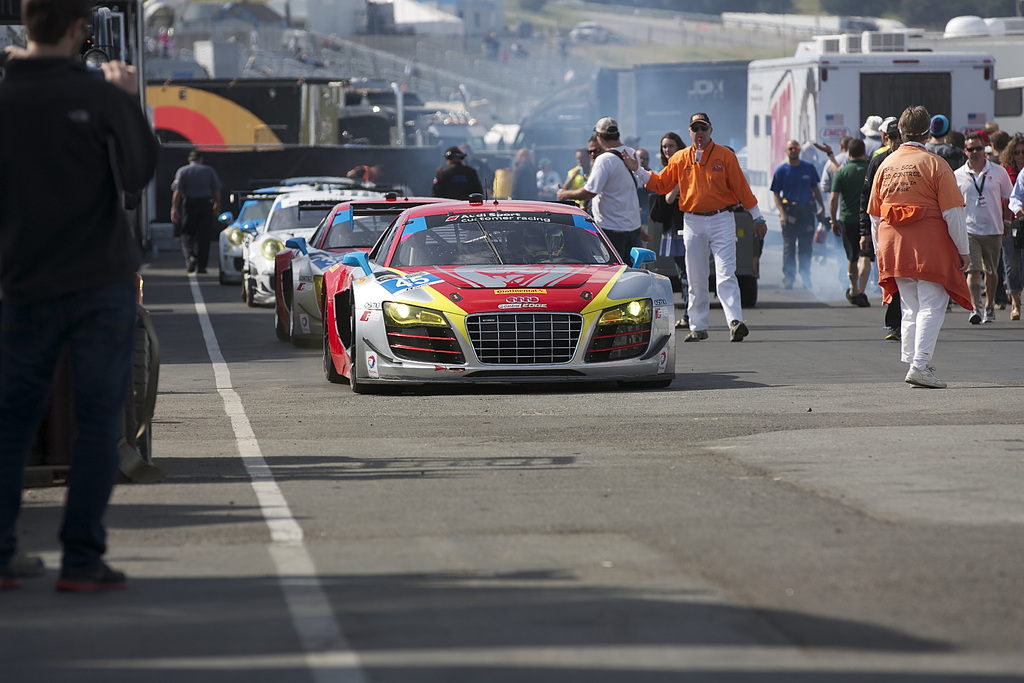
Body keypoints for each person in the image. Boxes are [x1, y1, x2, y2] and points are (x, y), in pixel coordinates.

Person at [0, 0, 158, 591]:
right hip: (99, 282)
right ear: (77, 30)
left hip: (23, 284)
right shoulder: (96, 95)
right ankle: (81, 561)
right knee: (97, 424)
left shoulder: (6, 95)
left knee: (11, 420)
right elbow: (139, 172)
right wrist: (123, 96)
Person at [624, 112, 768, 342]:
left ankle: (735, 321)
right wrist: (638, 170)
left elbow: (742, 189)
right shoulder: (680, 158)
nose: (699, 133)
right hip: (692, 220)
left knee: (725, 274)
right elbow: (661, 185)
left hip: (722, 218)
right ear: (690, 133)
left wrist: (757, 217)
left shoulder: (725, 156)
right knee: (696, 276)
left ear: (710, 130)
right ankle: (698, 326)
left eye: (703, 128)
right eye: (695, 128)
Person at [867, 106, 972, 389]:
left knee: (910, 306)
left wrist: (880, 252)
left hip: (893, 246)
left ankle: (913, 360)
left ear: (900, 133)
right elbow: (953, 212)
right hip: (927, 247)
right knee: (932, 304)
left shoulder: (885, 165)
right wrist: (963, 250)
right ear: (927, 133)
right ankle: (920, 365)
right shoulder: (935, 164)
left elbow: (874, 216)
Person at [557, 117, 642, 264]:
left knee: (611, 273)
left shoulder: (604, 159)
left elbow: (590, 192)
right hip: (632, 226)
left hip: (611, 228)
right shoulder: (633, 153)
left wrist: (564, 194)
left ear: (599, 137)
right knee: (630, 271)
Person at [954, 131, 1014, 324]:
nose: (975, 152)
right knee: (973, 270)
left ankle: (989, 306)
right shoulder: (958, 175)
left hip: (993, 229)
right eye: (971, 149)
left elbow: (1008, 198)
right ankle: (974, 307)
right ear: (965, 151)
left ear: (984, 150)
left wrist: (1007, 222)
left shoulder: (998, 171)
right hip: (969, 229)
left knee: (991, 271)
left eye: (979, 148)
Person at [859, 117, 902, 340]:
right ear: (885, 138)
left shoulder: (916, 159)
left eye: (900, 136)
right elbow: (866, 198)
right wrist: (864, 232)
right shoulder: (878, 161)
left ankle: (906, 324)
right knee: (891, 276)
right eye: (893, 137)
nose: (897, 141)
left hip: (911, 229)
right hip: (885, 229)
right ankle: (895, 323)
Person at [771, 139, 826, 289]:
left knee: (806, 248)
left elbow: (815, 189)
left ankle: (806, 277)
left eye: (795, 148)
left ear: (799, 150)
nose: (793, 150)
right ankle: (789, 278)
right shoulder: (781, 171)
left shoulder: (809, 168)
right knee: (789, 248)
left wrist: (822, 206)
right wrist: (782, 213)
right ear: (786, 151)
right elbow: (776, 193)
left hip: (806, 213)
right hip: (790, 214)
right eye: (790, 148)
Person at [648, 132, 689, 328]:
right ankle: (690, 314)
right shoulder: (665, 171)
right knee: (683, 273)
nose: (667, 150)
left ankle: (690, 316)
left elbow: (670, 198)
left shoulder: (686, 168)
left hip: (689, 226)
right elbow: (663, 200)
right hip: (673, 228)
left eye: (671, 146)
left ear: (679, 147)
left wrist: (675, 188)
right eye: (664, 146)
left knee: (689, 274)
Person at [830, 138, 871, 307]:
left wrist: (833, 220)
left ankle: (853, 289)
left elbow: (833, 199)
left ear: (848, 152)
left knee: (852, 257)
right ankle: (862, 291)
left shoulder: (842, 172)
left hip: (848, 219)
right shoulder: (871, 170)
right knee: (866, 256)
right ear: (864, 152)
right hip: (868, 218)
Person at [171, 149, 221, 274]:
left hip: (190, 204)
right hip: (205, 203)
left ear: (189, 160)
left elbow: (177, 192)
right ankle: (202, 266)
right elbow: (216, 189)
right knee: (204, 235)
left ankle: (191, 255)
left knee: (187, 233)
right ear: (201, 160)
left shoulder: (183, 171)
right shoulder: (209, 170)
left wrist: (174, 208)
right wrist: (217, 204)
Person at [1000, 135, 1024, 320]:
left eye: (1023, 152)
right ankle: (1015, 303)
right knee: (1011, 264)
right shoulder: (1004, 171)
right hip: (1009, 220)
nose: (1020, 155)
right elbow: (1012, 198)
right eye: (1017, 152)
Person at [563, 144, 593, 210]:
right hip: (578, 207)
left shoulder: (595, 170)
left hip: (592, 206)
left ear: (588, 157)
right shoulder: (572, 172)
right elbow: (565, 189)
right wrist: (573, 176)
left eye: (582, 158)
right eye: (578, 158)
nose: (579, 160)